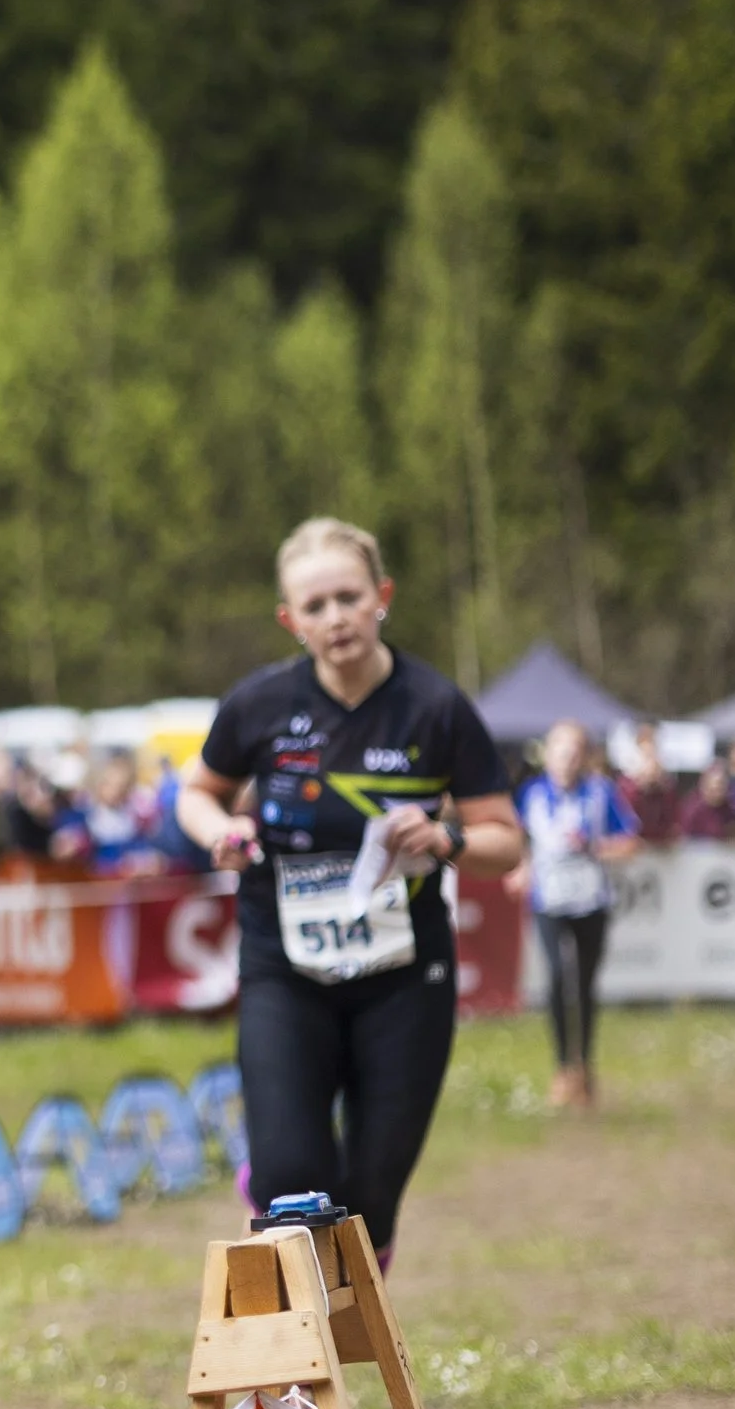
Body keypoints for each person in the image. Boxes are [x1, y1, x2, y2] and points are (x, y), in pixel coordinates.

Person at [176, 517, 520, 1267]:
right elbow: (197, 793)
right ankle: (287, 1369)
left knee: (370, 1193)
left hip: (403, 974)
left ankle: (337, 1343)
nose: (335, 619)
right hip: (286, 966)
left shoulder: (436, 706)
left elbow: (506, 841)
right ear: (290, 620)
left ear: (381, 598)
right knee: (294, 1180)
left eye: (348, 598)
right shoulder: (259, 704)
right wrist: (219, 835)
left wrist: (448, 840)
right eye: (315, 606)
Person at [510, 721, 640, 1110]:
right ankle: (562, 1067)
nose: (566, 761)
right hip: (548, 900)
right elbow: (518, 839)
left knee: (583, 983)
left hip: (591, 900)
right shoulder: (531, 794)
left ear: (583, 757)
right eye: (559, 752)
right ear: (547, 755)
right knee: (555, 979)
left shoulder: (602, 793)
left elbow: (631, 842)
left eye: (573, 753)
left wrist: (595, 847)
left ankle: (584, 1068)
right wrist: (521, 867)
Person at [677, 761, 735, 841]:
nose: (716, 792)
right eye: (712, 789)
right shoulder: (691, 810)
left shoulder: (730, 808)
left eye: (720, 787)